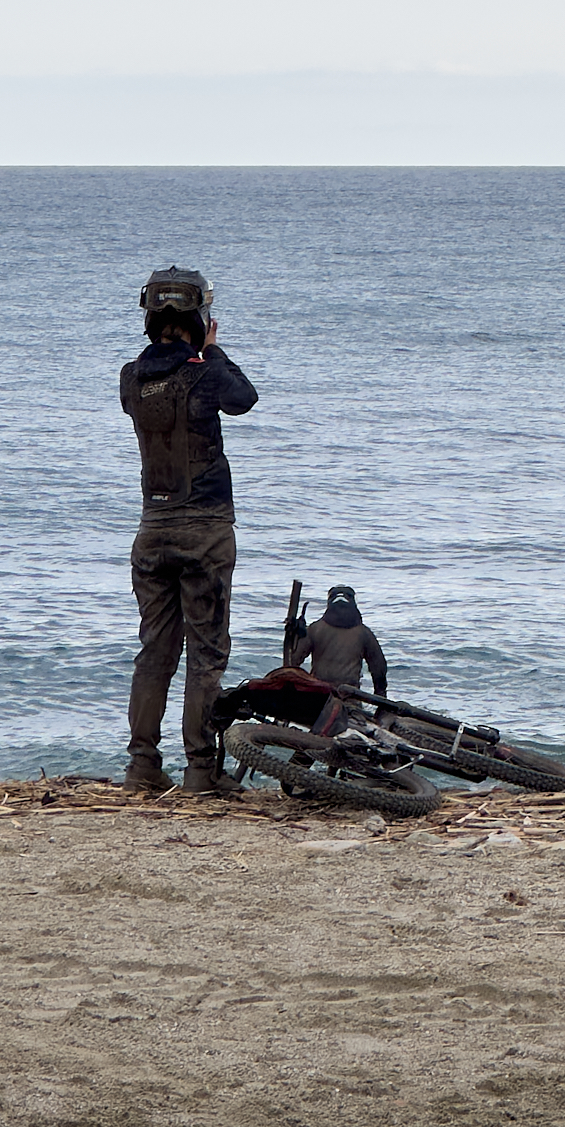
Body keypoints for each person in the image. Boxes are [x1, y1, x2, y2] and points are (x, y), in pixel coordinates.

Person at [119, 266, 258, 794]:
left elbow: (147, 393)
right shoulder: (205, 371)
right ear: (200, 318)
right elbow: (244, 397)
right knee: (206, 654)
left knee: (155, 651)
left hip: (151, 531)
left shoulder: (132, 377)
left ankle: (141, 766)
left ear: (151, 318)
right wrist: (213, 351)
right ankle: (201, 770)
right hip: (204, 530)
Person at [292, 585, 388, 696]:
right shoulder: (364, 633)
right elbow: (379, 667)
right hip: (349, 695)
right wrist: (380, 693)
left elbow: (294, 660)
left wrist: (296, 637)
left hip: (318, 693)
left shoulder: (315, 629)